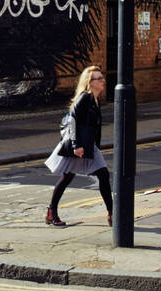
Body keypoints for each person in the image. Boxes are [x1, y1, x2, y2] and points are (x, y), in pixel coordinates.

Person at [43, 65, 114, 227]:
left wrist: (95, 146)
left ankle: (112, 213)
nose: (103, 81)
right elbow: (73, 118)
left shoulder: (96, 100)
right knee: (72, 176)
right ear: (90, 82)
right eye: (99, 78)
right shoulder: (85, 97)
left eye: (102, 77)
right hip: (80, 145)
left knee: (101, 175)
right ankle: (51, 212)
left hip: (88, 145)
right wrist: (76, 145)